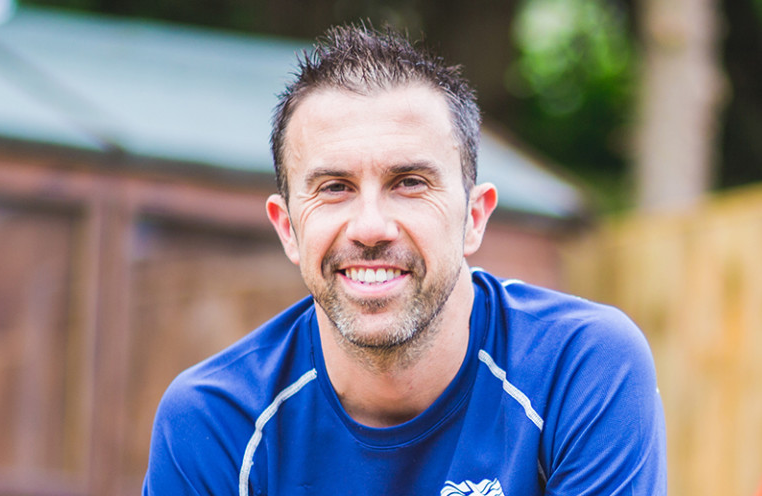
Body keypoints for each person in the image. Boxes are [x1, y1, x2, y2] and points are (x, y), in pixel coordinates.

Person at [141, 25, 666, 495]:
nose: (371, 227)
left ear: (474, 218)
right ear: (288, 228)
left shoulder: (580, 368)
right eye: (334, 187)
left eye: (409, 183)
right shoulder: (213, 422)